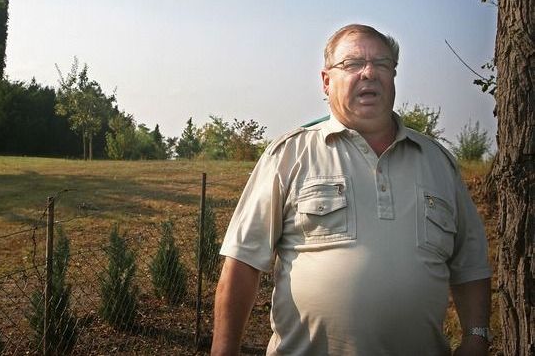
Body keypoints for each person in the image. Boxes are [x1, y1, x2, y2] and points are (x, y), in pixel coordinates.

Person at [211, 24, 492, 356]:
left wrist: (476, 336)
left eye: (382, 64)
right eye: (353, 64)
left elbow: (470, 265)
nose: (369, 72)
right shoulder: (289, 155)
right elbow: (242, 263)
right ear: (326, 82)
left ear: (393, 77)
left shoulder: (439, 162)